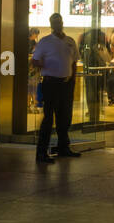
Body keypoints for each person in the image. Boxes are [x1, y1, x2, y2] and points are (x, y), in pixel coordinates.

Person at [31, 12, 80, 163]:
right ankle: (41, 152)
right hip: (51, 83)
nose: (57, 24)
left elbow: (74, 62)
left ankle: (63, 147)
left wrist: (72, 80)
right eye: (54, 22)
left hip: (66, 84)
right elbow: (34, 61)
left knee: (65, 117)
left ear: (62, 22)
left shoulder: (70, 41)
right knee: (48, 118)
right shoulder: (45, 42)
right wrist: (47, 65)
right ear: (51, 24)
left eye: (59, 21)